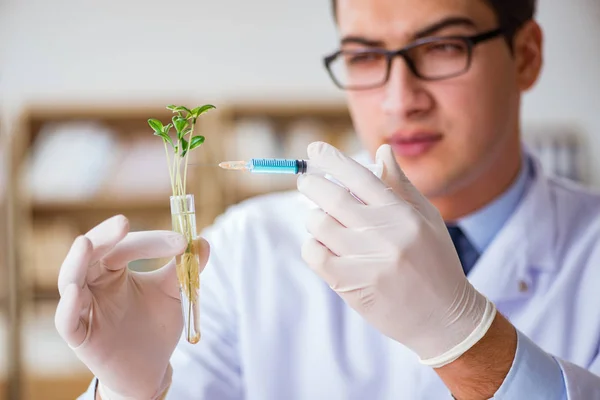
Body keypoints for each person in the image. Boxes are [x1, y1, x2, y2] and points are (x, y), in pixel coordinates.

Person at [55, 0, 600, 398]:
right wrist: (131, 391)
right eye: (364, 57)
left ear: (525, 55)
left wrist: (466, 340)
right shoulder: (249, 250)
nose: (399, 99)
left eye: (441, 47)